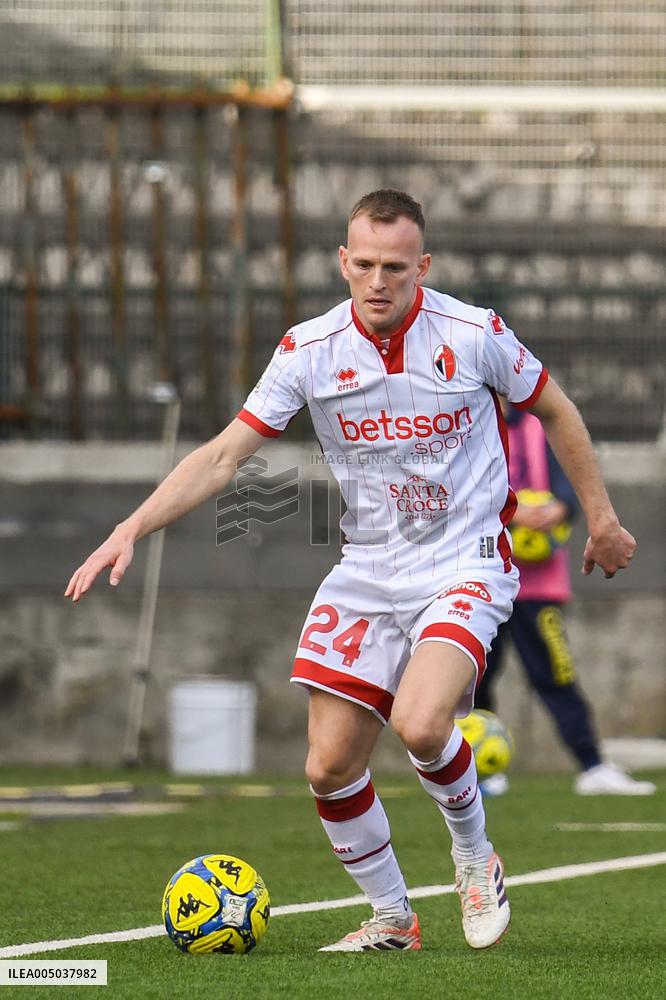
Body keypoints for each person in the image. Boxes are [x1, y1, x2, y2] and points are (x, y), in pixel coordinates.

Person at [65, 189, 636, 953]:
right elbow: (226, 455)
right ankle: (394, 919)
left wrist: (600, 517)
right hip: (368, 567)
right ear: (343, 261)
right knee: (329, 766)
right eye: (363, 264)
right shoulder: (308, 350)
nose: (377, 281)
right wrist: (132, 525)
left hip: (464, 560)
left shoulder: (474, 334)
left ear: (421, 266)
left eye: (395, 267)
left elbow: (557, 409)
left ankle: (474, 856)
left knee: (423, 721)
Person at [476, 403, 655, 797]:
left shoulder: (542, 425)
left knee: (556, 675)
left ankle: (592, 766)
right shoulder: (469, 424)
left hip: (538, 587)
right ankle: (479, 771)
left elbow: (570, 486)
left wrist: (557, 507)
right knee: (476, 678)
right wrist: (512, 511)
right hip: (480, 581)